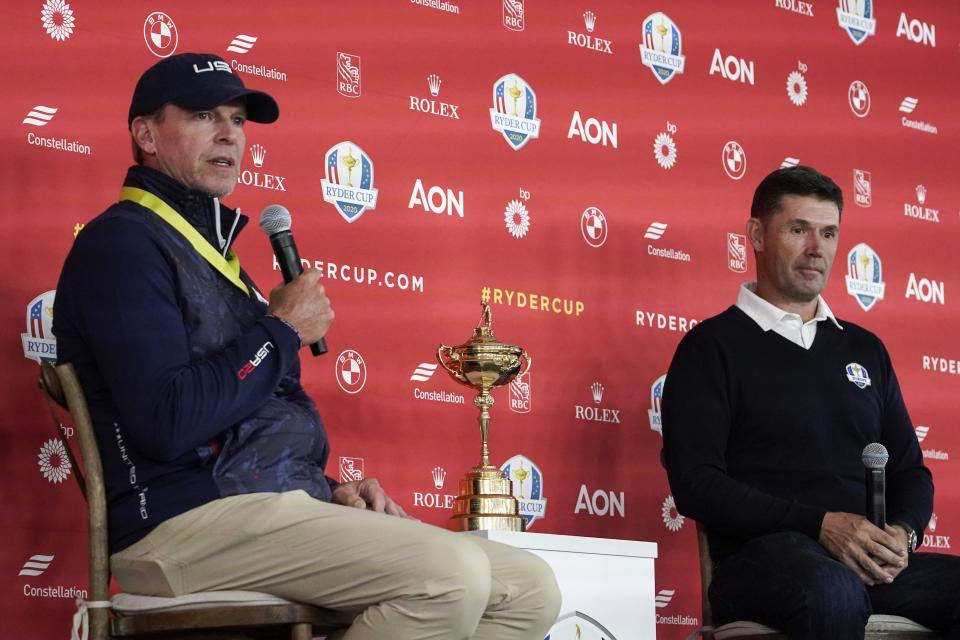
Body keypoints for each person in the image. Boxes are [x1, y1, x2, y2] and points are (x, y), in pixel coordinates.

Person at [53, 53, 560, 640]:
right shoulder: (122, 245)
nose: (228, 135)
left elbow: (249, 420)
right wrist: (282, 330)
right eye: (202, 115)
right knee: (450, 574)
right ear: (145, 134)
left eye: (238, 121)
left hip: (265, 508)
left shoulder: (217, 259)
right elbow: (167, 421)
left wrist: (328, 488)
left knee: (529, 588)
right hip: (179, 521)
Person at [661, 166, 960, 639]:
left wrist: (904, 534)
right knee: (832, 590)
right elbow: (696, 483)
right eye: (799, 230)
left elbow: (910, 472)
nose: (816, 248)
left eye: (828, 232)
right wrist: (821, 525)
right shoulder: (710, 348)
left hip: (866, 566)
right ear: (757, 235)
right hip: (760, 563)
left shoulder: (865, 350)